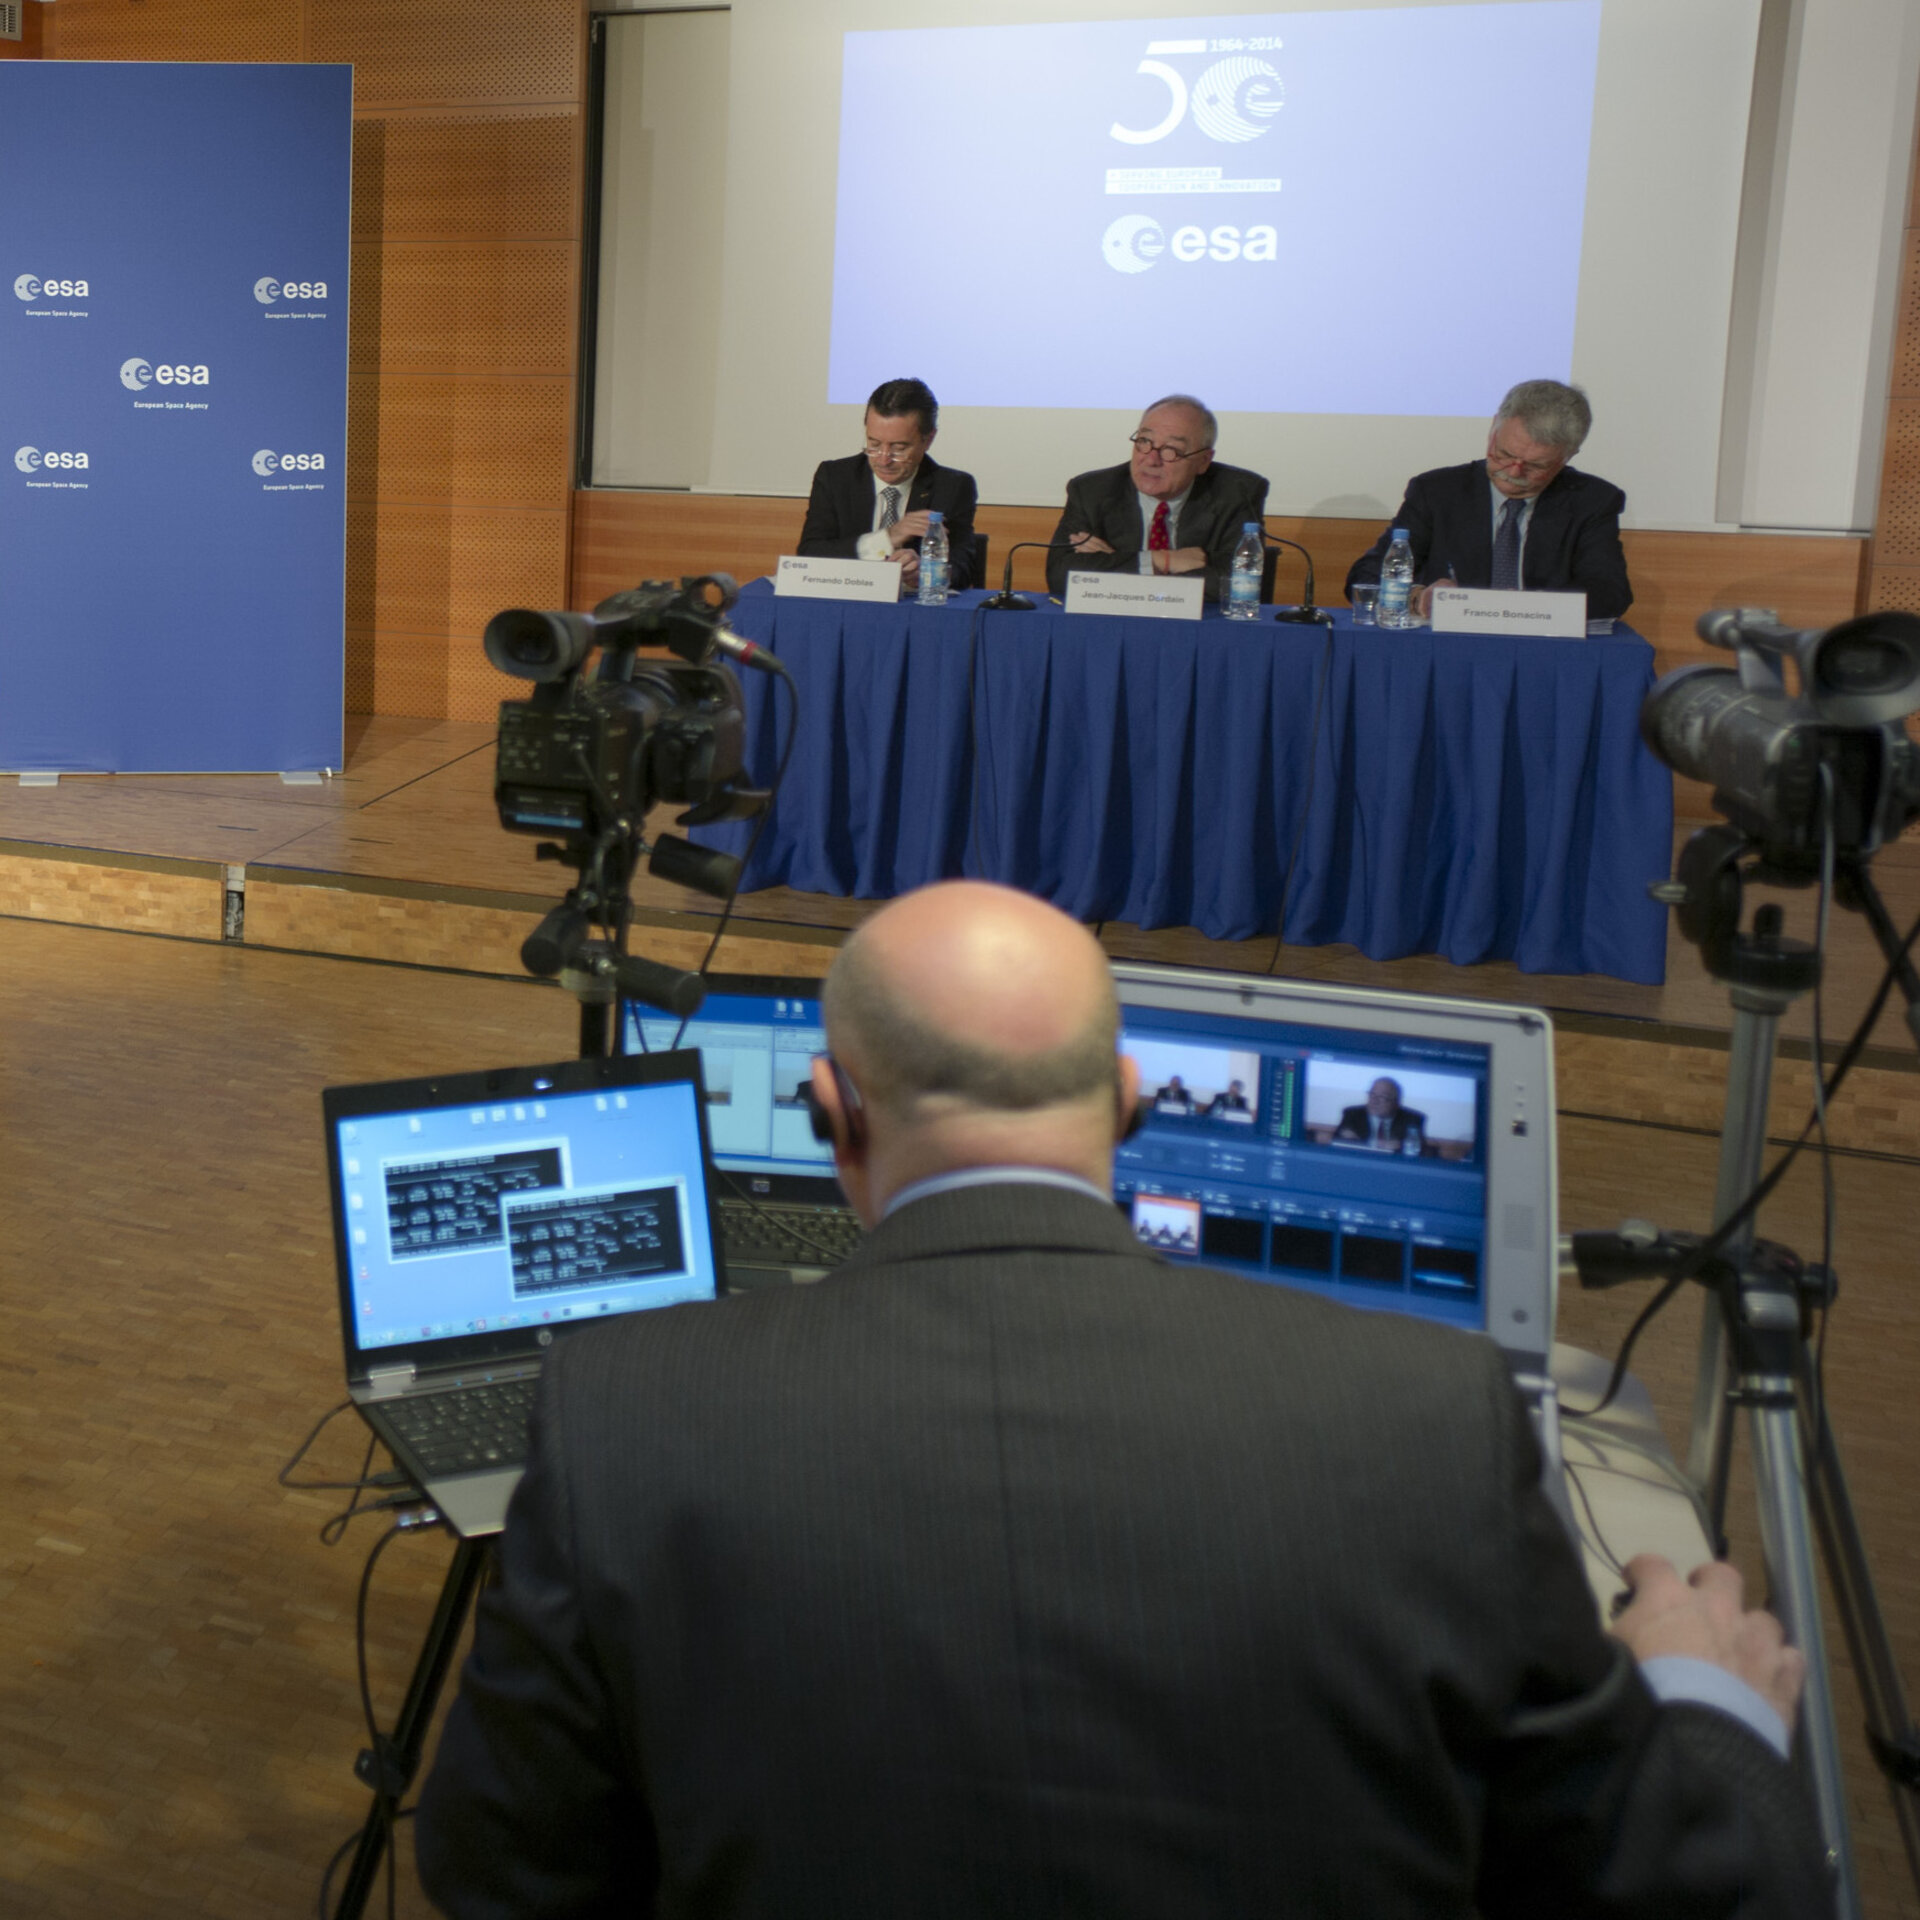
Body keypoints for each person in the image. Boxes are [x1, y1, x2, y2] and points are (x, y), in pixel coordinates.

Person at [417, 881, 1826, 1919]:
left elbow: (505, 1879)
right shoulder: (1430, 1416)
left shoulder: (621, 1409)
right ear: (1134, 1099)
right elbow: (1666, 1894)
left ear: (833, 1111)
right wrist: (1707, 1704)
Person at [1345, 379, 1632, 620]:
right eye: (1504, 454)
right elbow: (1364, 578)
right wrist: (1418, 597)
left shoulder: (1592, 501)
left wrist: (1519, 608)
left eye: (1536, 466)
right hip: (1449, 646)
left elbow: (1610, 593)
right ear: (1493, 429)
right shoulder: (1437, 491)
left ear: (1568, 456)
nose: (1514, 471)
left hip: (1541, 647)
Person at [1047, 394, 1268, 603]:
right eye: (1144, 440)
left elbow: (1240, 583)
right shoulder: (1092, 491)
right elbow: (1060, 576)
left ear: (1203, 461)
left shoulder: (1238, 493)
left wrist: (1116, 566)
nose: (1151, 459)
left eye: (1171, 449)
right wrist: (1160, 561)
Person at [796, 376, 978, 592]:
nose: (883, 459)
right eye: (874, 444)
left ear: (928, 440)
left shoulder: (952, 487)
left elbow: (961, 570)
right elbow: (810, 554)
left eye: (899, 448)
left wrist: (927, 572)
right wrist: (886, 538)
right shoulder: (836, 477)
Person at [1334, 1075, 1427, 1151]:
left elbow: (1421, 1150)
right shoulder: (1352, 1113)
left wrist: (1401, 1145)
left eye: (1382, 1097)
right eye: (1372, 1095)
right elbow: (1336, 1140)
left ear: (1396, 1102)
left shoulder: (1412, 1118)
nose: (1374, 1101)